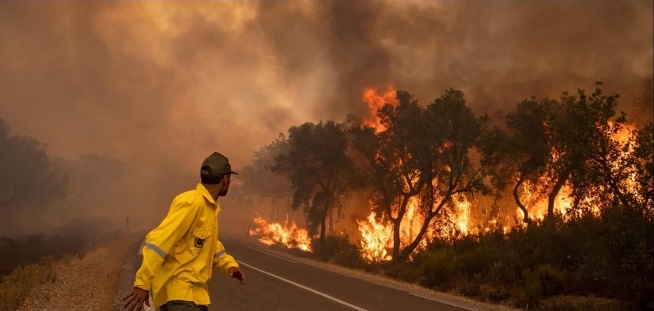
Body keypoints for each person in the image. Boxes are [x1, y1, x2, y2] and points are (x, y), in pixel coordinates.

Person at [123, 152, 246, 311]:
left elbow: (210, 244)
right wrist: (142, 283)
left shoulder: (209, 207)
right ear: (225, 179)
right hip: (179, 296)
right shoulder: (191, 203)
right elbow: (157, 242)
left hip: (197, 296)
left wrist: (229, 265)